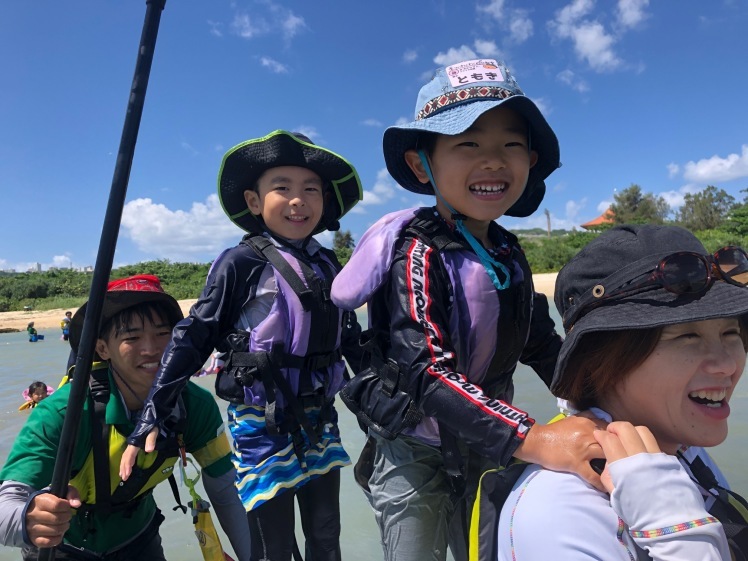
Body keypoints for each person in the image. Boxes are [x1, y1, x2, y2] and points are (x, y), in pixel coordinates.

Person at [330, 57, 604, 561]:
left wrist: (598, 401)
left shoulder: (508, 253)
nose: (494, 161)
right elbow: (424, 371)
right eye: (468, 144)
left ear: (530, 160)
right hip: (415, 446)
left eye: (511, 145)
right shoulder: (416, 252)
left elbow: (541, 344)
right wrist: (533, 437)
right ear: (420, 164)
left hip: (487, 442)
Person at [121, 130, 364, 561]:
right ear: (254, 201)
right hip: (261, 420)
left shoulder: (328, 263)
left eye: (311, 189)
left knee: (326, 534)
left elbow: (349, 341)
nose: (298, 200)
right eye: (282, 188)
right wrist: (151, 415)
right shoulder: (241, 262)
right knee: (273, 545)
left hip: (319, 416)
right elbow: (193, 338)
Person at [494, 224, 748, 560]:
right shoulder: (562, 514)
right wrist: (678, 533)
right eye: (688, 336)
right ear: (601, 363)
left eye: (731, 332)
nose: (727, 364)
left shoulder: (681, 449)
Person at [0, 274, 251, 561]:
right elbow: (6, 503)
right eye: (132, 337)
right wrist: (27, 519)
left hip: (139, 539)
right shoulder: (62, 413)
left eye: (162, 333)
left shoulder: (195, 405)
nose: (152, 349)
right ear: (102, 348)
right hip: (62, 547)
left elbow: (226, 493)